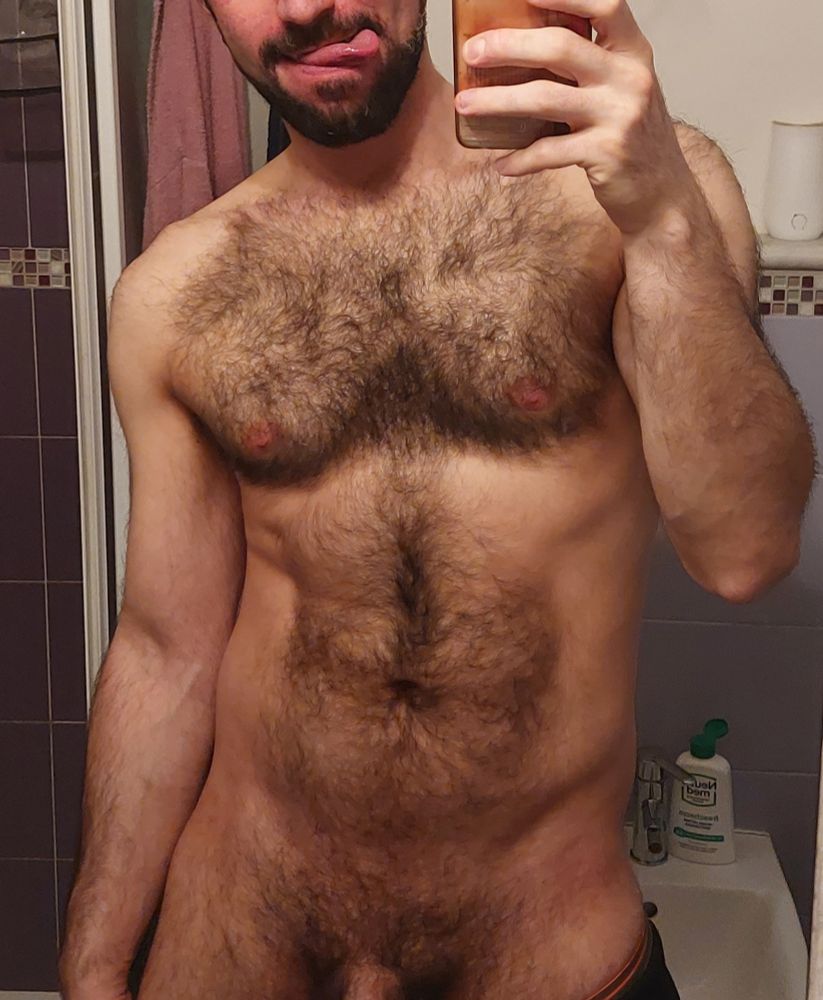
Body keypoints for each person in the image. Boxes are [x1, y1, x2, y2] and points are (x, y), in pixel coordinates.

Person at [59, 0, 816, 997]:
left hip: (542, 951)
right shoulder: (172, 292)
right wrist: (93, 963)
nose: (306, 6)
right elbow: (166, 651)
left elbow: (744, 548)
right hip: (239, 944)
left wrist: (660, 214)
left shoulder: (624, 194)